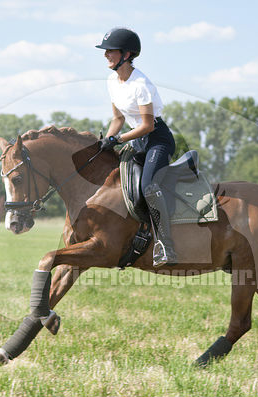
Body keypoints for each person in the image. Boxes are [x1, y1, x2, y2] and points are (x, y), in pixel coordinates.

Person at [96, 27, 177, 267]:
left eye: (110, 51)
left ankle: (165, 244)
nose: (106, 55)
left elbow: (148, 125)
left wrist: (118, 140)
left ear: (127, 54)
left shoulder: (141, 84)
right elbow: (117, 119)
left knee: (149, 186)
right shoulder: (112, 80)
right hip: (136, 138)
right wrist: (106, 141)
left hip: (157, 139)